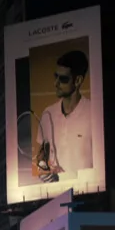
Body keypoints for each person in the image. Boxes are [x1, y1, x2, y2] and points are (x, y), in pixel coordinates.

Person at [36, 50, 93, 181]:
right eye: (55, 76)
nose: (55, 83)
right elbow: (41, 157)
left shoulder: (93, 112)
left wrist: (66, 177)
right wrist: (43, 169)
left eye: (63, 79)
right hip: (56, 195)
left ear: (78, 80)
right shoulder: (47, 114)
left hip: (87, 194)